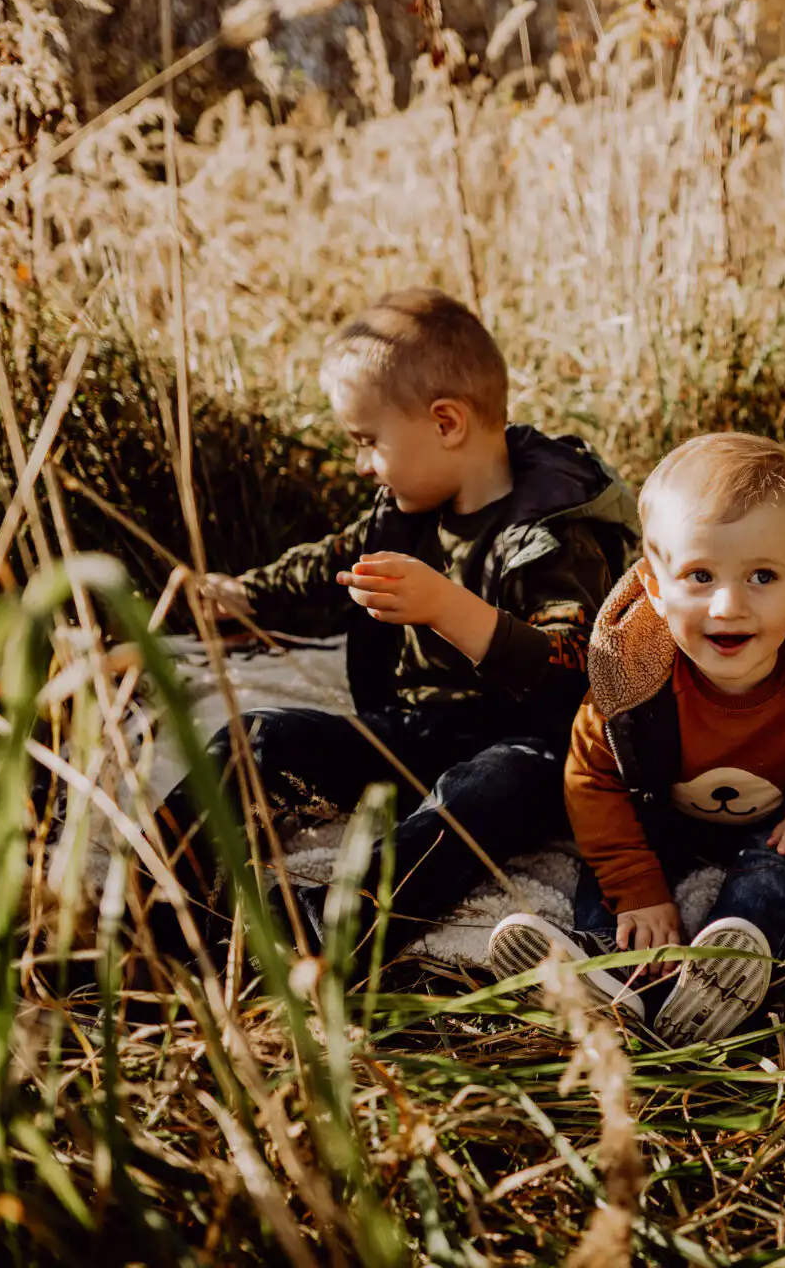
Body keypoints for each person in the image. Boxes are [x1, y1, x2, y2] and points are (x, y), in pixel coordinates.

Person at [156, 288, 638, 960]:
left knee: (479, 793)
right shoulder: (406, 509)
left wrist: (447, 608)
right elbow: (331, 561)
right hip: (415, 731)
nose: (360, 464)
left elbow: (570, 668)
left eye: (368, 442)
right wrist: (245, 594)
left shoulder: (550, 536)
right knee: (257, 736)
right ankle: (150, 890)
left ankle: (337, 926)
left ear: (446, 423)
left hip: (529, 751)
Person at [487, 434, 785, 1041]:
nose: (728, 606)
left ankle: (728, 963)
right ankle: (604, 971)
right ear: (652, 585)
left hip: (778, 820)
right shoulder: (632, 679)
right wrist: (637, 888)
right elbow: (589, 776)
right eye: (699, 575)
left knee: (783, 863)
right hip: (663, 810)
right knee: (620, 866)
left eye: (761, 576)